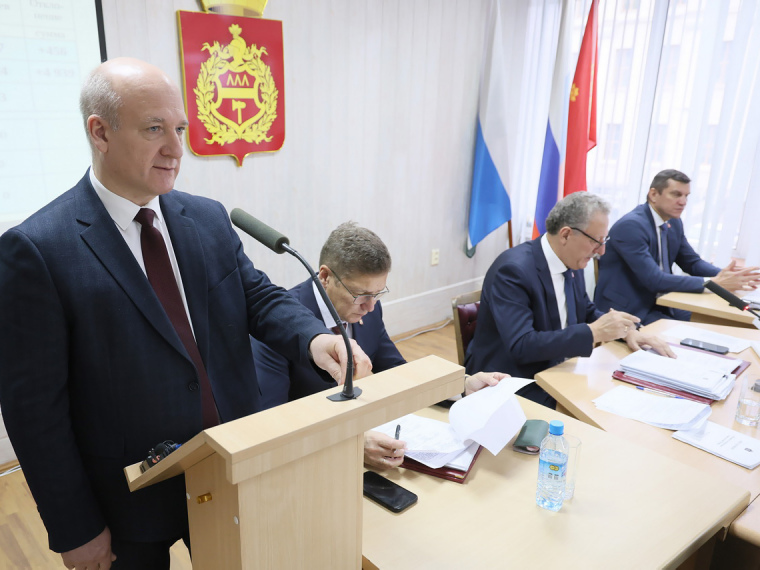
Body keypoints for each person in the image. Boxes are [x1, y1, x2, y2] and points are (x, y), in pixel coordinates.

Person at [0, 58, 373, 570]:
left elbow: (257, 297)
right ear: (100, 132)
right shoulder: (38, 250)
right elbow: (35, 411)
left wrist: (314, 338)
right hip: (127, 499)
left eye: (179, 129)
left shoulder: (207, 217)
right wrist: (76, 527)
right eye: (154, 129)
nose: (177, 150)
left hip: (231, 465)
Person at [252, 221, 508, 469]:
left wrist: (460, 386)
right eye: (361, 295)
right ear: (325, 277)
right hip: (309, 463)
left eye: (378, 294)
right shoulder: (278, 324)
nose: (371, 306)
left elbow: (396, 370)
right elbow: (272, 421)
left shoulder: (369, 309)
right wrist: (352, 442)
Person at [465, 192, 674, 408]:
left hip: (558, 370)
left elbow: (586, 310)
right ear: (565, 235)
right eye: (596, 241)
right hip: (512, 381)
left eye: (604, 241)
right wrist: (594, 332)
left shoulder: (572, 261)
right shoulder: (513, 270)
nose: (601, 251)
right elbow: (522, 345)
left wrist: (626, 331)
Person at [595, 169, 760, 324]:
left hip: (663, 303)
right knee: (697, 330)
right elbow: (655, 280)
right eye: (676, 194)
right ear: (653, 194)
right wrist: (714, 282)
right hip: (631, 309)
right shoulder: (631, 226)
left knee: (729, 322)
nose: (683, 202)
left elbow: (692, 263)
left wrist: (728, 276)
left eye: (686, 196)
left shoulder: (673, 222)